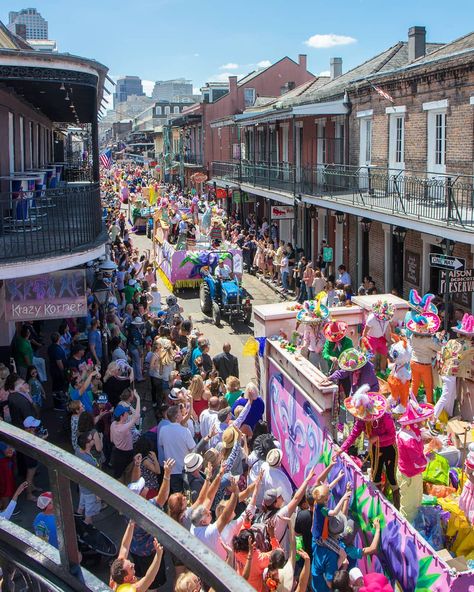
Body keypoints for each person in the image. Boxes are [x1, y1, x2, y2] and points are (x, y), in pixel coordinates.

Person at [336, 385, 399, 508]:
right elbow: (353, 435)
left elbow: (392, 435)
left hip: (389, 449)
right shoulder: (361, 421)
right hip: (375, 450)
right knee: (375, 476)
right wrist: (341, 449)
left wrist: (377, 438)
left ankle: (396, 506)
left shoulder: (386, 417)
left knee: (391, 477)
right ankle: (378, 504)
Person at [396, 400, 434, 522]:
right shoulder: (409, 439)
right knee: (409, 509)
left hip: (409, 474)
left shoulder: (408, 432)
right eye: (421, 420)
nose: (423, 422)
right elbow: (417, 462)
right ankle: (406, 535)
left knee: (416, 503)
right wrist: (428, 458)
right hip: (410, 476)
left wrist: (424, 441)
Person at [110, 520, 164, 592]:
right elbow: (149, 578)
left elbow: (125, 546)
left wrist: (131, 523)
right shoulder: (132, 590)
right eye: (131, 567)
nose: (133, 564)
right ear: (126, 578)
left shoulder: (115, 577)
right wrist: (158, 555)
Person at [157, 404, 195, 493]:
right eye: (180, 413)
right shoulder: (185, 431)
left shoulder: (163, 430)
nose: (182, 415)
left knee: (177, 496)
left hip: (172, 471)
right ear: (177, 416)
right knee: (188, 496)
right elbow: (193, 449)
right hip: (185, 470)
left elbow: (161, 444)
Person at [110, 393, 141, 481]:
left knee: (119, 476)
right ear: (122, 416)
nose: (128, 413)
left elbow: (112, 440)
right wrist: (138, 398)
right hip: (127, 454)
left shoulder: (113, 424)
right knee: (128, 477)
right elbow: (137, 416)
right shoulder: (124, 427)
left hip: (117, 453)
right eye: (127, 412)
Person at [75, 433, 102, 524]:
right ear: (87, 444)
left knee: (81, 505)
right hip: (90, 490)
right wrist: (98, 494)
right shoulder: (89, 461)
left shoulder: (78, 451)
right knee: (89, 514)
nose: (93, 440)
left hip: (82, 485)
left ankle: (77, 519)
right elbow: (95, 478)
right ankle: (85, 528)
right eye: (91, 440)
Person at [361, 300, 394, 372]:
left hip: (381, 338)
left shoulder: (388, 317)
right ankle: (370, 373)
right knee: (371, 358)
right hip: (371, 338)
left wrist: (389, 339)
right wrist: (365, 343)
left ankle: (383, 371)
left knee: (384, 354)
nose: (386, 317)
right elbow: (365, 332)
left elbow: (388, 328)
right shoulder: (372, 318)